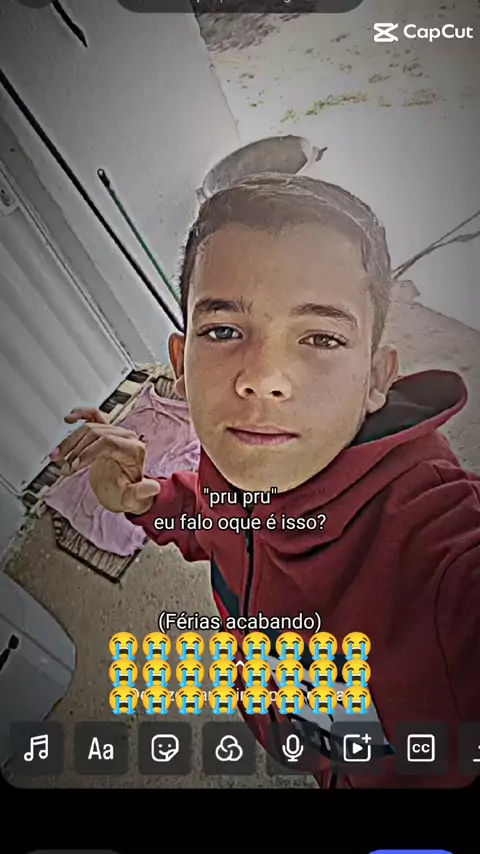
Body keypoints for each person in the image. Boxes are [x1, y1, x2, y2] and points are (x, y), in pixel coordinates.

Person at [51, 174, 480, 788]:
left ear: (375, 379)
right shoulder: (238, 458)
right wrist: (151, 501)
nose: (262, 379)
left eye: (321, 338)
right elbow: (223, 520)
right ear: (180, 365)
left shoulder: (436, 547)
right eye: (224, 331)